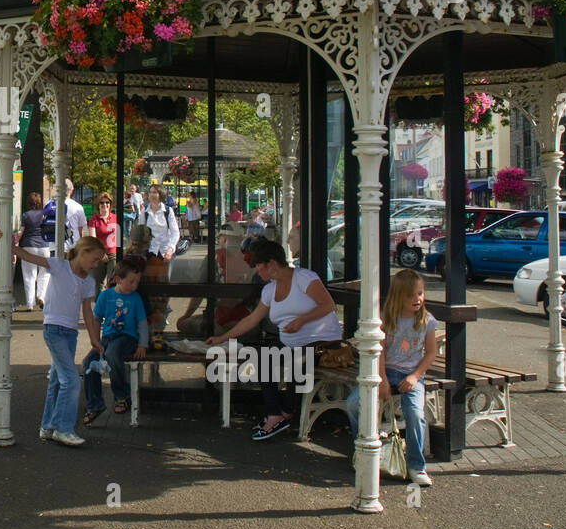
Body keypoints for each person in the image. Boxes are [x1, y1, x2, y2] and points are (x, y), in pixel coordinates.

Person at [205, 239, 341, 440]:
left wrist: (301, 321)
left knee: (296, 361)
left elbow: (329, 305)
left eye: (259, 268)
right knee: (263, 357)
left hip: (322, 343)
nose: (257, 273)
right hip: (290, 343)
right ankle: (275, 413)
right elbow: (252, 319)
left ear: (271, 264)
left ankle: (285, 412)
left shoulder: (304, 278)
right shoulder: (269, 289)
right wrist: (221, 338)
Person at [345, 269, 438, 487]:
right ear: (399, 296)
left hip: (411, 374)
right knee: (352, 404)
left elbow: (431, 352)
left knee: (415, 414)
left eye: (420, 293)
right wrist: (383, 379)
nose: (417, 299)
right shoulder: (387, 319)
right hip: (385, 371)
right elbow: (381, 351)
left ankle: (416, 465)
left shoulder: (427, 321)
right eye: (411, 295)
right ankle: (364, 448)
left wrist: (415, 377)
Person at [16, 235, 107, 447]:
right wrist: (7, 244)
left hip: (70, 333)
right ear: (82, 253)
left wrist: (94, 339)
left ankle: (47, 427)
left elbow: (87, 310)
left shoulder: (88, 281)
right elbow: (28, 256)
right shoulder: (59, 265)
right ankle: (62, 428)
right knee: (72, 380)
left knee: (58, 380)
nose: (95, 265)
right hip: (54, 329)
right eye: (94, 260)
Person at [81, 253, 148, 424]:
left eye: (137, 282)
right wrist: (95, 341)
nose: (134, 286)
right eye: (131, 281)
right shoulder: (105, 296)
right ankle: (94, 404)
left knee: (112, 354)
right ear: (118, 279)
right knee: (89, 362)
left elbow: (142, 323)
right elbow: (96, 319)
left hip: (127, 337)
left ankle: (121, 394)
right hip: (107, 337)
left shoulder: (136, 298)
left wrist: (142, 345)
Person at [139, 183, 180, 342]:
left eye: (155, 192)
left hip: (164, 253)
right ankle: (152, 316)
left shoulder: (168, 211)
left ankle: (162, 315)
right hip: (150, 253)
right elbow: (140, 231)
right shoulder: (145, 212)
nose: (152, 195)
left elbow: (175, 233)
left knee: (164, 287)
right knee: (150, 285)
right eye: (150, 192)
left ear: (160, 195)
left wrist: (170, 249)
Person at [18, 192, 49, 311]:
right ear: (40, 202)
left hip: (28, 246)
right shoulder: (44, 215)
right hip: (44, 246)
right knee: (45, 273)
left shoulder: (25, 215)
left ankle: (30, 304)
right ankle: (41, 296)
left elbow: (20, 233)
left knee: (29, 276)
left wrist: (14, 244)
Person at [87, 192, 118, 287]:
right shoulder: (94, 219)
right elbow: (93, 239)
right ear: (98, 205)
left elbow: (119, 238)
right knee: (97, 284)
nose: (105, 204)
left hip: (113, 254)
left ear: (110, 204)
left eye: (107, 202)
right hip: (99, 255)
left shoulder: (115, 218)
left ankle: (110, 301)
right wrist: (101, 253)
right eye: (102, 202)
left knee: (112, 282)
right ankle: (98, 301)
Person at [62, 178, 88, 249]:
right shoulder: (78, 207)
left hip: (54, 246)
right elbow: (80, 230)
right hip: (72, 246)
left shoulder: (50, 204)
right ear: (72, 190)